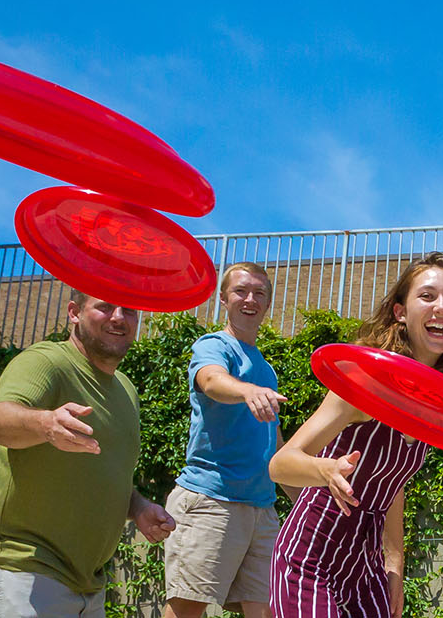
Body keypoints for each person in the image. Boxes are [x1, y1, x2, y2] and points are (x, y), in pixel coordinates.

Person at [267, 252, 443, 618]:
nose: (441, 307)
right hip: (309, 557)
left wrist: (395, 564)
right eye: (427, 296)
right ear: (401, 312)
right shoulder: (365, 385)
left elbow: (393, 482)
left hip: (365, 567)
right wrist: (325, 471)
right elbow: (281, 464)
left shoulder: (435, 404)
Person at [0, 291, 178, 617]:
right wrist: (46, 423)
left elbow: (102, 473)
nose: (119, 317)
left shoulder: (126, 390)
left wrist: (138, 507)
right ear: (74, 312)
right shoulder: (47, 360)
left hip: (88, 586)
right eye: (105, 307)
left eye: (130, 309)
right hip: (22, 569)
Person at [164, 262, 289, 618]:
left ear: (267, 303)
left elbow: (275, 446)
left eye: (259, 293)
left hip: (262, 511)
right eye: (241, 291)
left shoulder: (266, 368)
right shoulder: (214, 346)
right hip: (212, 500)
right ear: (223, 298)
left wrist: (305, 499)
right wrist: (247, 390)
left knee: (268, 610)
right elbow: (211, 381)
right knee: (187, 609)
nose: (250, 299)